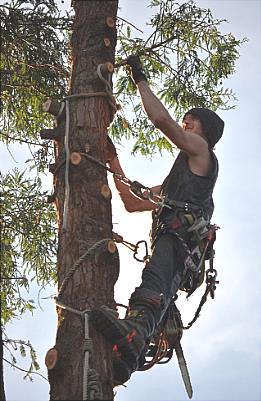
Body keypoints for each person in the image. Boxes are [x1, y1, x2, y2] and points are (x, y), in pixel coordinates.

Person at [91, 55, 224, 385]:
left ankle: (134, 337)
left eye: (190, 122)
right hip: (173, 240)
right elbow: (133, 203)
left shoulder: (202, 153)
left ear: (203, 130)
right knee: (155, 285)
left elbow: (162, 121)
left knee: (153, 285)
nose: (184, 126)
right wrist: (113, 159)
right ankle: (127, 356)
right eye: (185, 122)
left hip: (179, 241)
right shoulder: (175, 184)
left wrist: (140, 79)